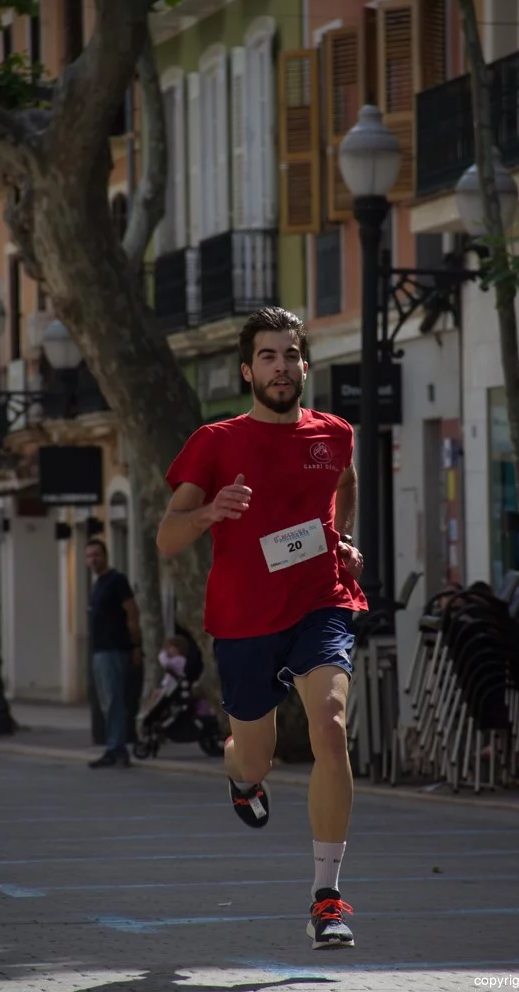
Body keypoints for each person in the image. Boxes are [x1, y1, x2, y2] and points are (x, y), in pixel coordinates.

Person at [157, 306, 366, 950]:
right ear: (248, 370)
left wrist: (345, 539)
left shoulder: (334, 434)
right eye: (268, 357)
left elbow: (345, 483)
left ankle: (326, 898)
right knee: (255, 753)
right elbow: (167, 537)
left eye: (291, 355)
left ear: (305, 365)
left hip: (322, 601)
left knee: (330, 729)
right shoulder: (215, 442)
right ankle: (241, 778)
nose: (281, 367)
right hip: (245, 618)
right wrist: (210, 511)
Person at [86, 538, 142, 769]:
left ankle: (117, 748)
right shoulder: (98, 583)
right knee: (106, 701)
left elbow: (132, 613)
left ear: (106, 555)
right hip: (99, 651)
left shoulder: (117, 581)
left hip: (114, 650)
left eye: (96, 555)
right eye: (89, 556)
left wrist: (136, 646)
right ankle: (112, 746)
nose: (93, 560)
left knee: (114, 701)